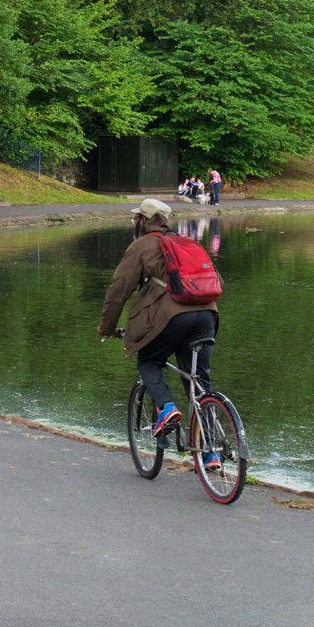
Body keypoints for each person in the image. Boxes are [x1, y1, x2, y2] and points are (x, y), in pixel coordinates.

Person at [97, 199, 221, 467]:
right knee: (199, 383)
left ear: (143, 220)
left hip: (172, 317)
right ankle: (211, 452)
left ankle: (166, 408)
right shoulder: (187, 243)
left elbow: (119, 289)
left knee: (149, 361)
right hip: (207, 315)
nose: (134, 223)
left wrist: (107, 327)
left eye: (136, 218)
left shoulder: (142, 245)